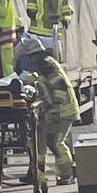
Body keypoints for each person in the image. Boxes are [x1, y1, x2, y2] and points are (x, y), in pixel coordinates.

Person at [20, 44, 80, 184]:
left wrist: (54, 107)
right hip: (51, 111)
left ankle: (68, 174)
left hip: (63, 111)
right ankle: (36, 174)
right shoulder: (44, 66)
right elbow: (46, 84)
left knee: (55, 142)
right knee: (38, 142)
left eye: (31, 57)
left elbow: (60, 86)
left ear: (36, 55)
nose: (30, 60)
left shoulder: (48, 65)